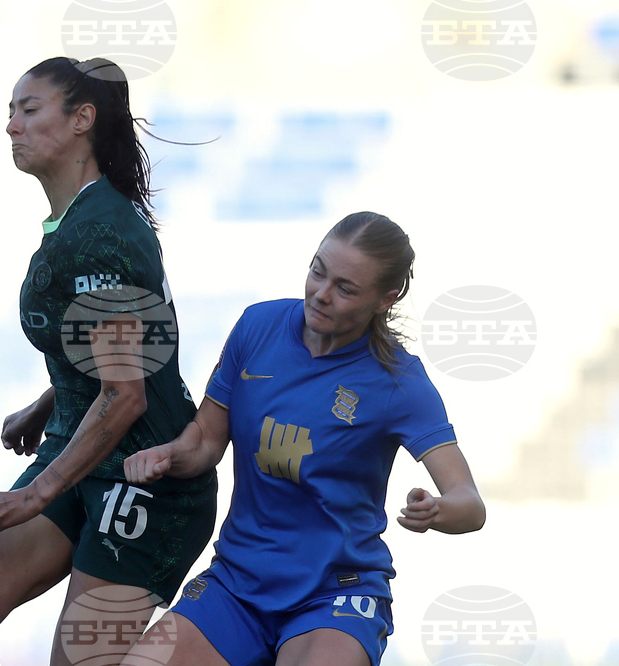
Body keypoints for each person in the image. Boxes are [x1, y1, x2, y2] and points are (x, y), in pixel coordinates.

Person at [0, 57, 218, 666]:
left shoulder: (99, 233)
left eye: (29, 110)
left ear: (82, 119)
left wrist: (37, 494)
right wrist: (47, 403)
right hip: (80, 448)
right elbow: (118, 348)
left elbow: (126, 393)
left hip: (144, 477)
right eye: (11, 111)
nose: (12, 125)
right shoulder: (79, 220)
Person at [122, 212, 486, 666]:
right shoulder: (257, 326)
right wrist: (170, 455)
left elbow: (470, 504)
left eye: (345, 288)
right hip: (237, 584)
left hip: (336, 595)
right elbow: (205, 441)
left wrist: (439, 510)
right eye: (318, 271)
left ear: (384, 300)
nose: (321, 294)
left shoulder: (400, 381)